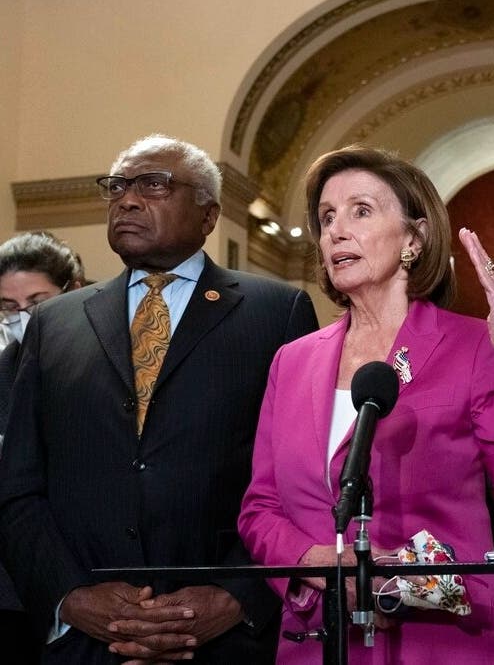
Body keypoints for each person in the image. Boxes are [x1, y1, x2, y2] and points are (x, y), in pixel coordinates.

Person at [237, 144, 494, 664]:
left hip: (443, 641)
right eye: (327, 217)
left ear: (414, 238)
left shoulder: (471, 346)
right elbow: (260, 509)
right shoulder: (291, 361)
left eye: (361, 211)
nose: (336, 231)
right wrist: (323, 564)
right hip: (320, 641)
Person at [0, 134, 319, 664]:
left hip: (224, 638)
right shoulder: (56, 323)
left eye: (154, 184)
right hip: (87, 639)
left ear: (208, 215)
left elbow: (299, 479)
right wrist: (71, 597)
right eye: (118, 186)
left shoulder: (276, 312)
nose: (127, 199)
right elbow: (19, 485)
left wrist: (235, 597)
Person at [0, 230, 84, 665]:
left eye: (37, 303)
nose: (22, 317)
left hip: (87, 580)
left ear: (71, 291)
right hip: (10, 593)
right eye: (8, 307)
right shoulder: (2, 371)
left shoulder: (98, 367)